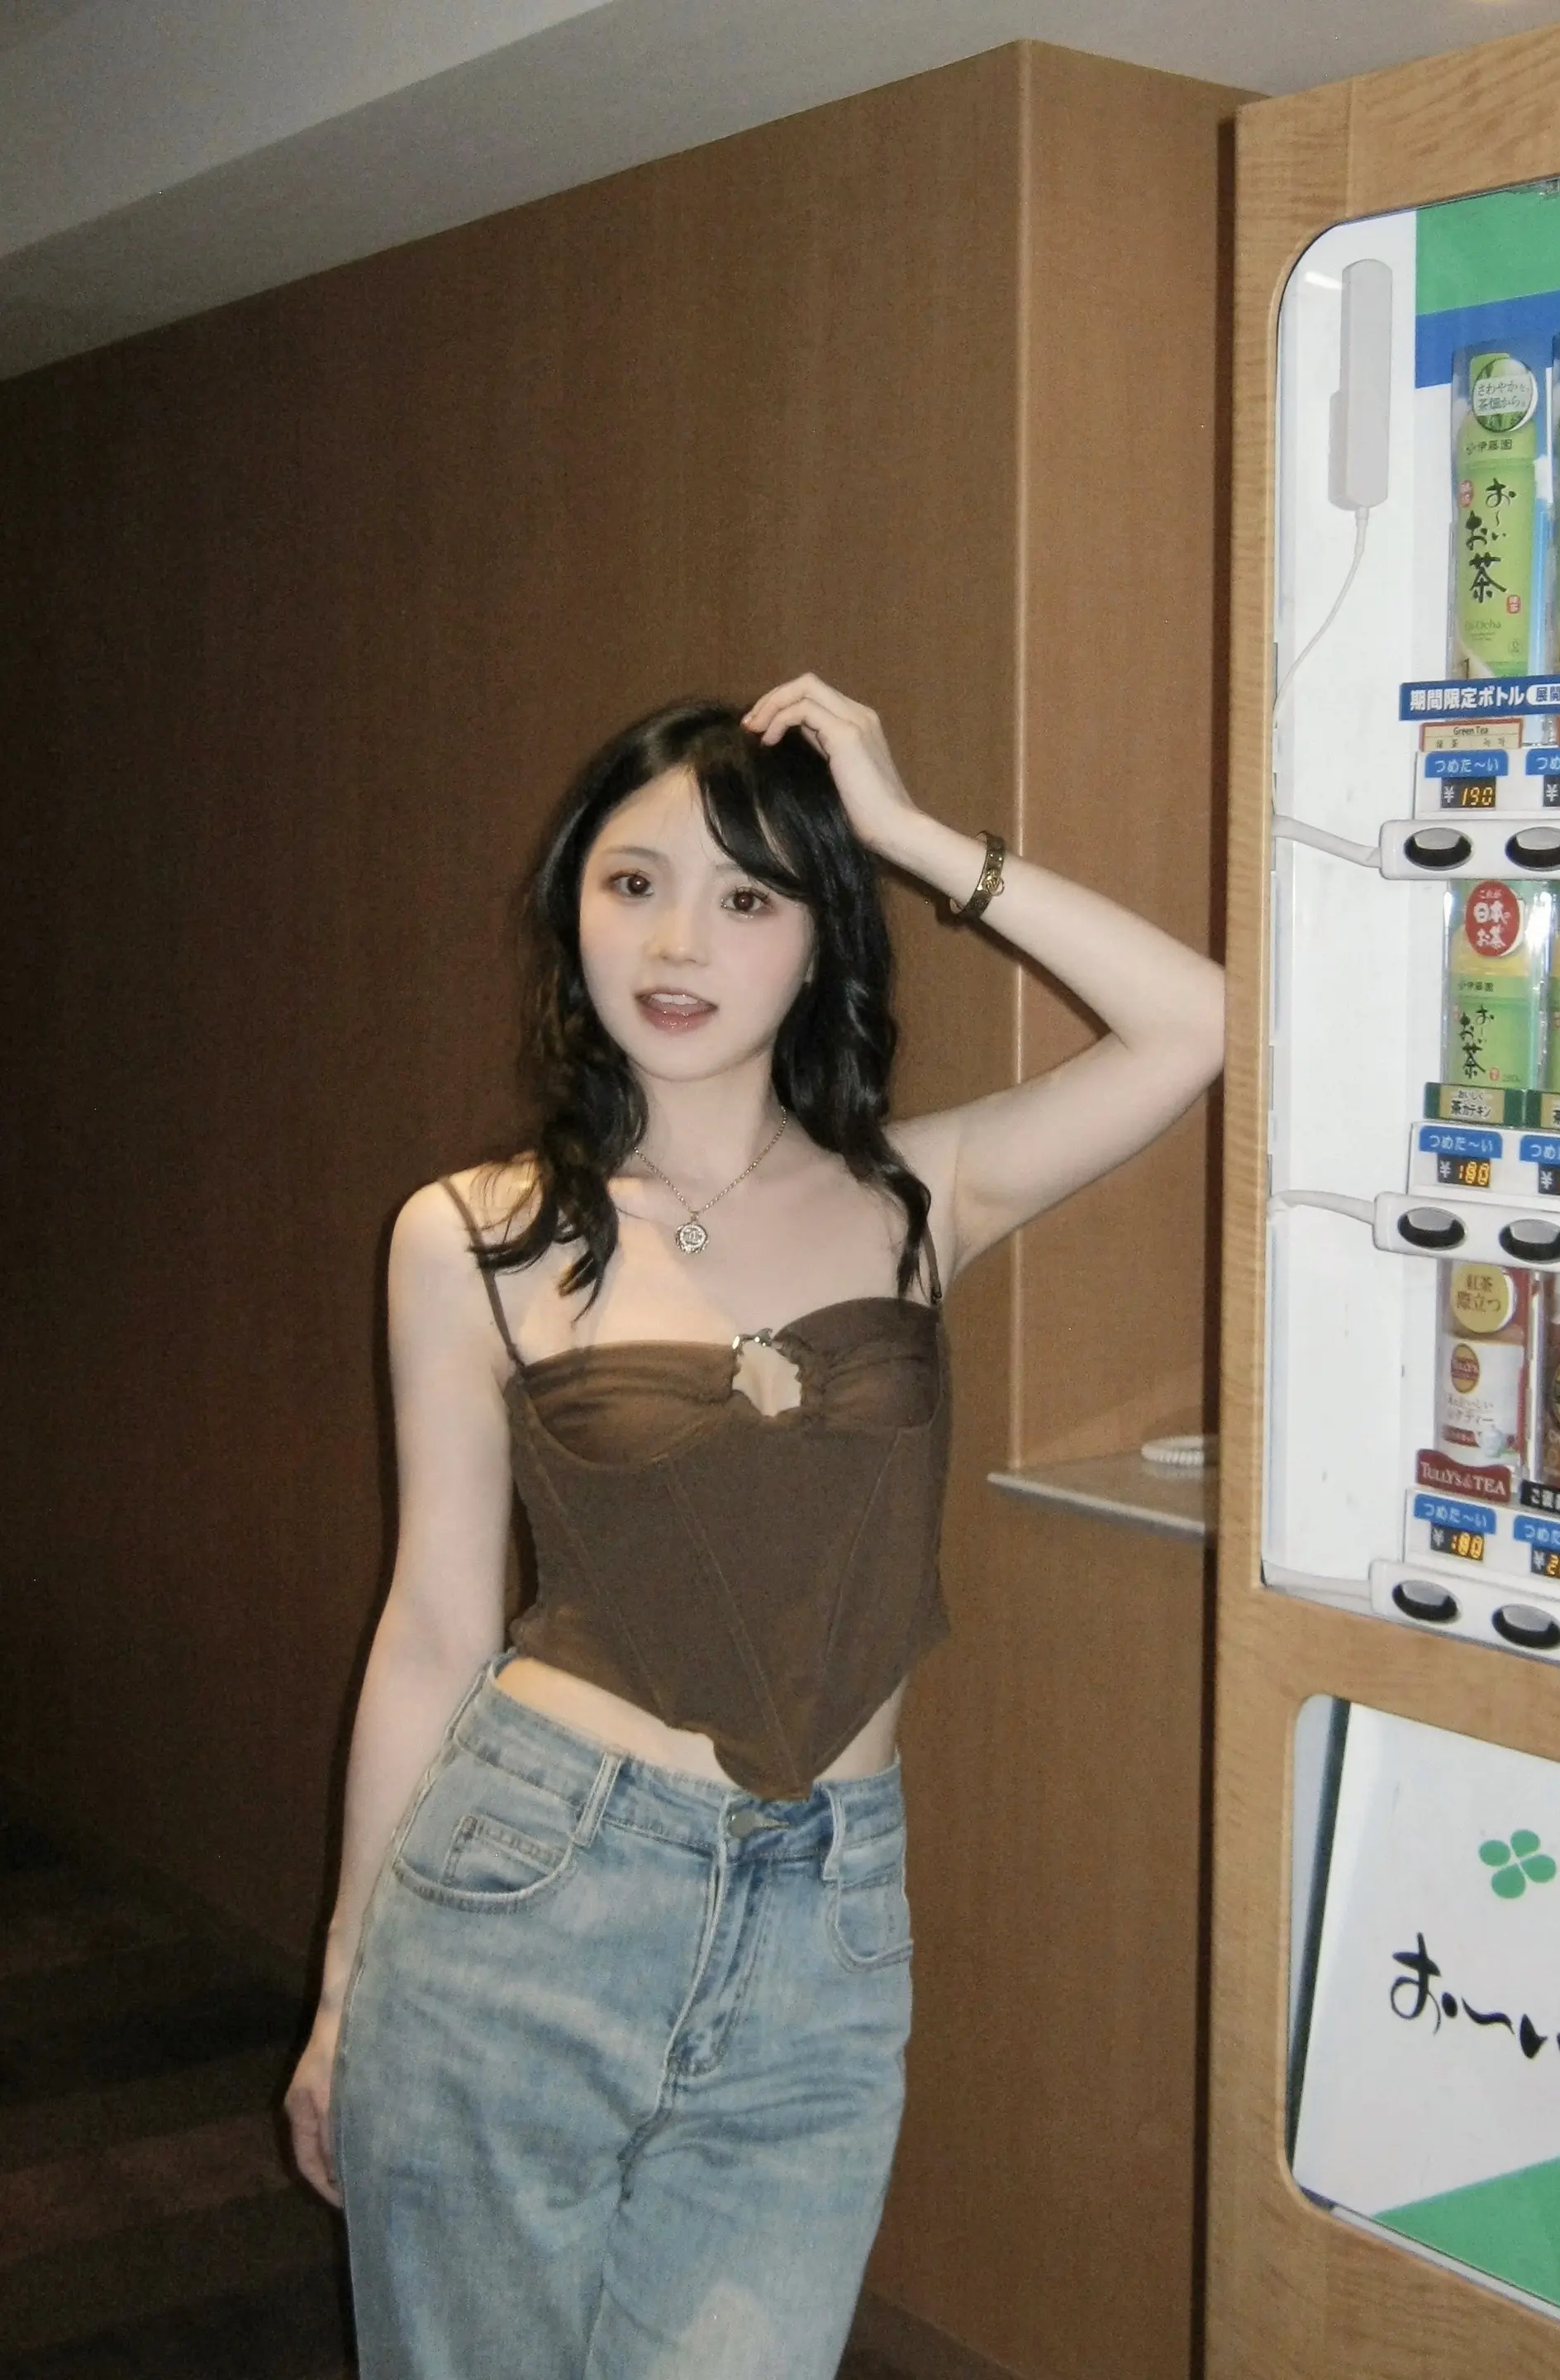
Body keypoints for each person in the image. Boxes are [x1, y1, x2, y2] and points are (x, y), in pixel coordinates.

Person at [283, 674, 1225, 2380]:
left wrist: (913, 832)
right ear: (572, 908)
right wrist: (346, 1980)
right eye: (633, 882)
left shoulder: (917, 1197)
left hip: (830, 1932)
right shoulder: (473, 1235)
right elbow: (432, 1625)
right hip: (526, 1894)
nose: (678, 941)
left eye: (748, 896)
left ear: (817, 939)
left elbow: (1198, 1022)